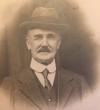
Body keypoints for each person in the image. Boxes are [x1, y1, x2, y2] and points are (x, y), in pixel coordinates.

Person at [0, 6, 90, 110]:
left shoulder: (79, 84)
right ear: (28, 43)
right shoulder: (9, 87)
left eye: (50, 37)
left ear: (58, 44)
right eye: (38, 37)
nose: (44, 44)